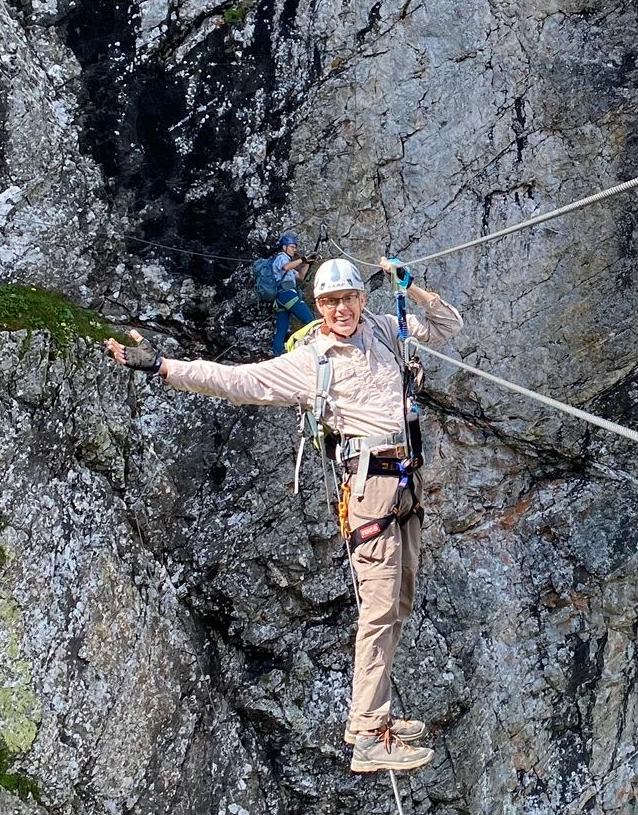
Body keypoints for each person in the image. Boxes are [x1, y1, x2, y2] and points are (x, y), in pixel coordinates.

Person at [106, 258, 461, 775]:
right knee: (380, 609)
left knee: (399, 602)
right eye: (330, 302)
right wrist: (163, 367)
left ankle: (374, 716)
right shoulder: (313, 360)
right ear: (319, 308)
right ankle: (367, 731)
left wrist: (416, 291)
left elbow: (449, 327)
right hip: (371, 489)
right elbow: (237, 381)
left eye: (348, 299)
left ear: (363, 299)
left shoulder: (387, 329)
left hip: (406, 481)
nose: (341, 309)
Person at [270, 232, 311, 354]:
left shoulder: (287, 261)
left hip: (280, 298)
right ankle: (309, 349)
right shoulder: (281, 257)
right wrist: (303, 259)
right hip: (287, 294)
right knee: (310, 320)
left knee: (282, 328)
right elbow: (286, 267)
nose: (294, 249)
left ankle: (277, 354)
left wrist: (308, 262)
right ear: (284, 247)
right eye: (292, 247)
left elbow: (300, 276)